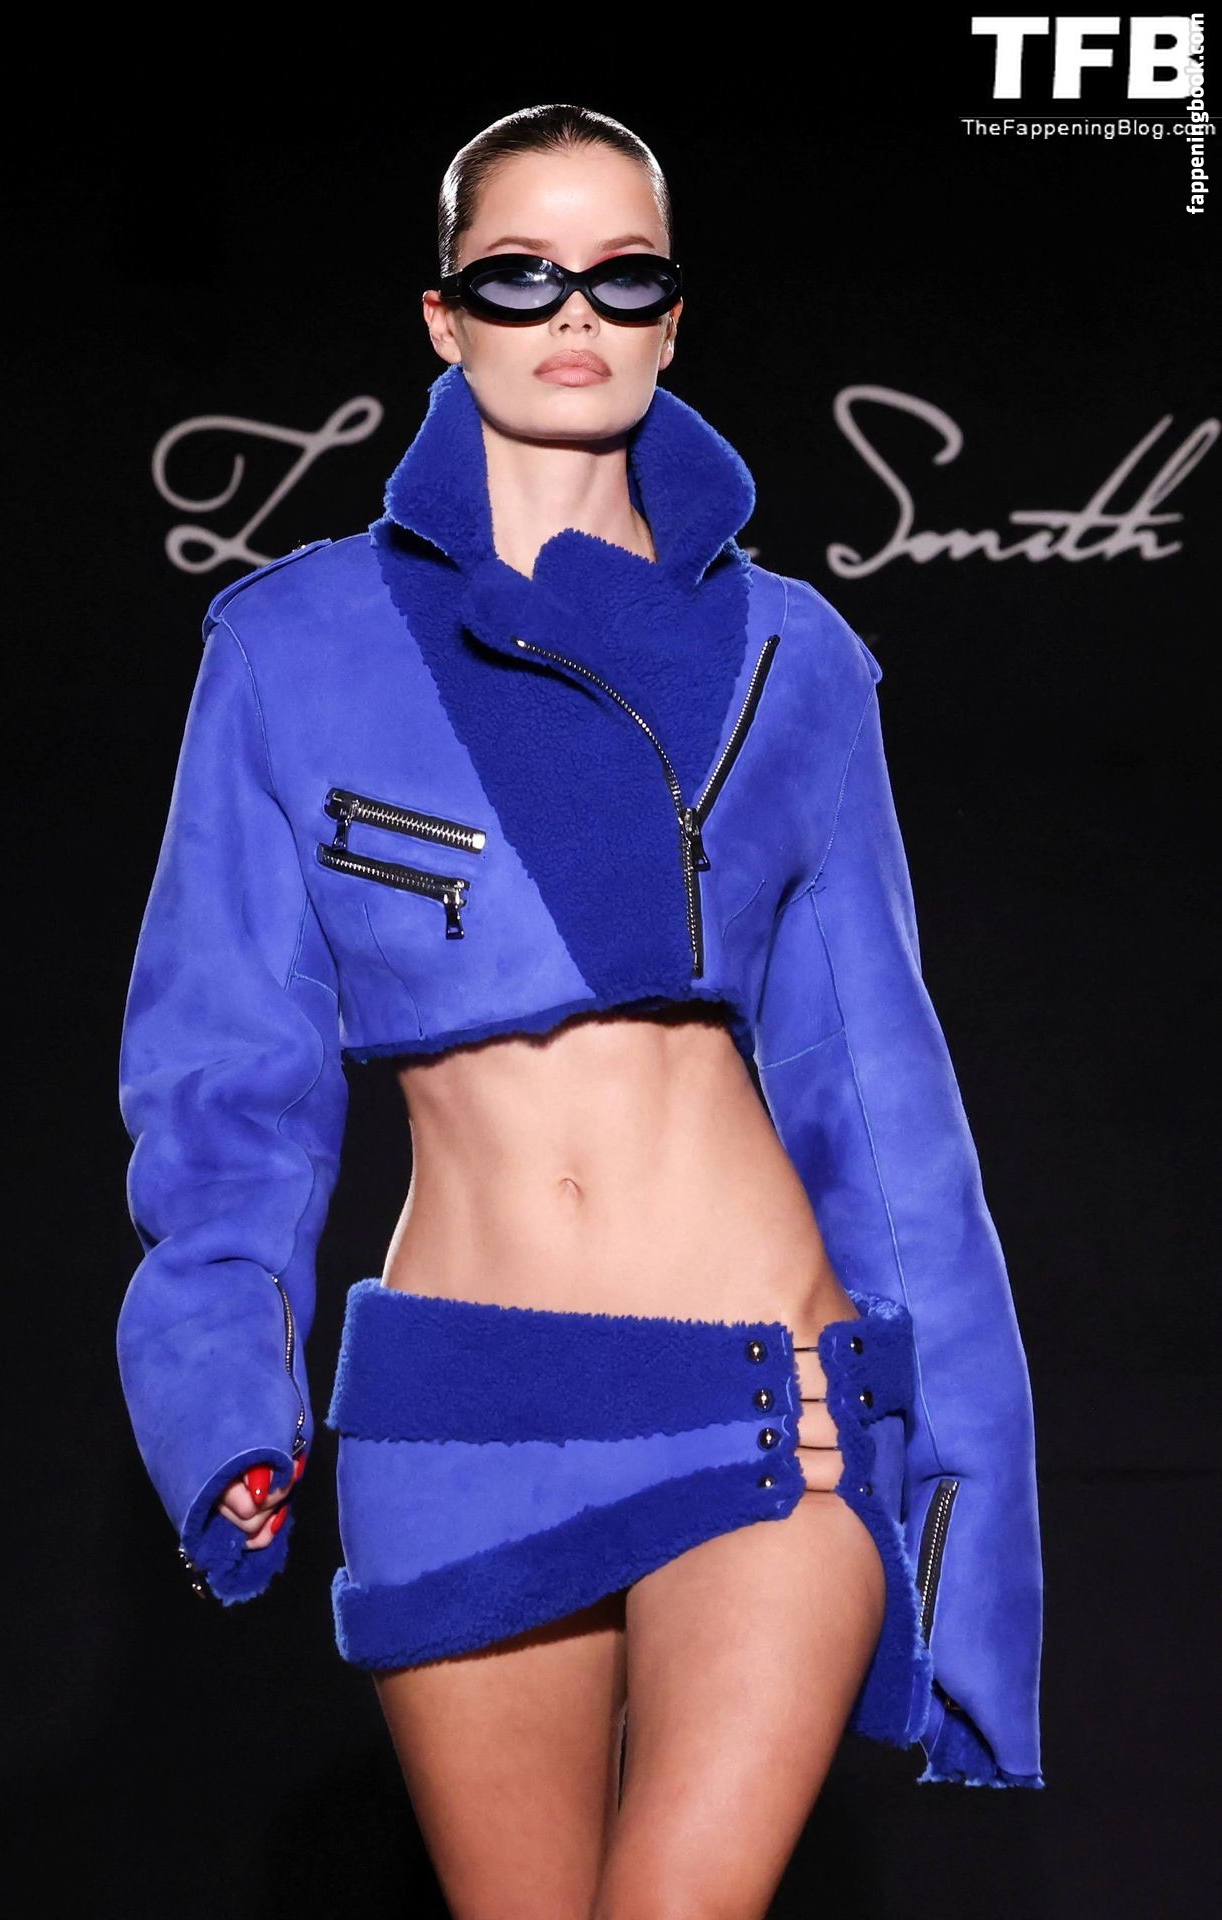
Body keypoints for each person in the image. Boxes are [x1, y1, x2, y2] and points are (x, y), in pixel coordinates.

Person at [116, 102, 1045, 1919]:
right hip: (457, 1412)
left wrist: (964, 1495)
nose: (573, 312)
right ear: (443, 316)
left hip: (764, 1400)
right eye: (519, 273)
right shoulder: (292, 647)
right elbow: (225, 1077)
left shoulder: (792, 655)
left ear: (673, 318)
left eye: (624, 276)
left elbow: (882, 1097)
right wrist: (223, 1395)